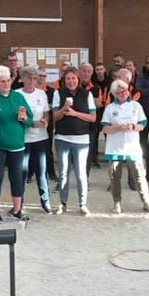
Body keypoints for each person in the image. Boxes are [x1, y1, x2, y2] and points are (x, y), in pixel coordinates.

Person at [0, 64, 33, 223]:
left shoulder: (18, 97)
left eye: (8, 80)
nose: (6, 84)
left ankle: (17, 209)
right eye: (2, 81)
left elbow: (29, 120)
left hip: (17, 145)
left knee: (17, 177)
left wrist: (24, 118)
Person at [101, 79, 149, 214]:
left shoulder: (136, 106)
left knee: (139, 175)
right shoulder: (110, 108)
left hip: (132, 146)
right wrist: (117, 128)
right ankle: (116, 202)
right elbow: (105, 128)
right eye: (118, 92)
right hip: (114, 147)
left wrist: (132, 126)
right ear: (114, 94)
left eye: (124, 90)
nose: (122, 94)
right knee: (114, 176)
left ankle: (146, 202)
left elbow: (143, 124)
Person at [52, 67, 96, 216]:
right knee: (63, 173)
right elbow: (55, 117)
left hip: (81, 139)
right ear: (64, 80)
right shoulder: (58, 93)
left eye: (73, 78)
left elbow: (93, 118)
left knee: (80, 173)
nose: (71, 81)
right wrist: (64, 108)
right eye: (68, 79)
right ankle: (62, 203)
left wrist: (75, 113)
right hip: (62, 138)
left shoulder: (87, 94)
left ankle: (82, 204)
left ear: (78, 79)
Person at [17, 66, 52, 213]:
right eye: (29, 78)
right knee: (22, 172)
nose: (32, 81)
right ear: (22, 79)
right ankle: (19, 203)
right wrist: (32, 123)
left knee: (41, 171)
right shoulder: (17, 94)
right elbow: (17, 117)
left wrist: (45, 121)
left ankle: (45, 200)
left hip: (40, 138)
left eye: (34, 78)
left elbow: (46, 112)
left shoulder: (41, 94)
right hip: (23, 138)